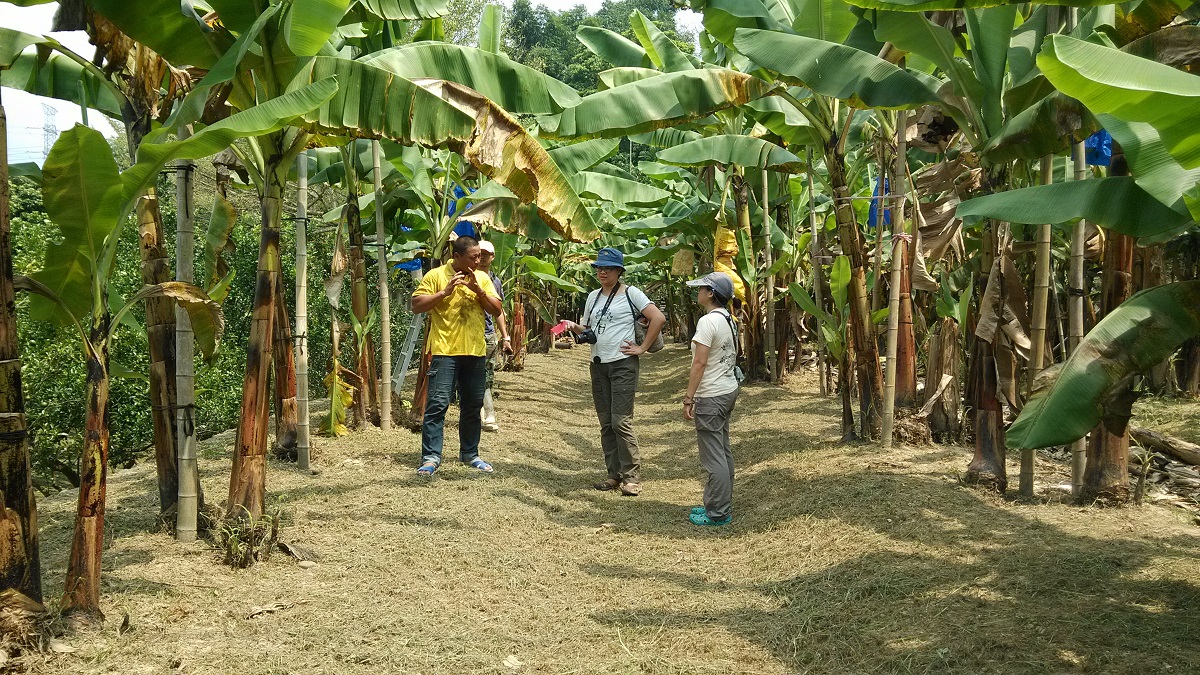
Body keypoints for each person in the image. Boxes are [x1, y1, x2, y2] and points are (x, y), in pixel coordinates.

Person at [561, 248, 666, 496]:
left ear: (619, 271)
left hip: (622, 364)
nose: (602, 271)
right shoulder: (593, 297)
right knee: (606, 423)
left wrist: (642, 348)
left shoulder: (631, 293)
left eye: (608, 268)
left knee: (621, 421)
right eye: (599, 267)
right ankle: (614, 475)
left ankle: (632, 477)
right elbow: (587, 329)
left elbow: (658, 318)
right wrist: (573, 327)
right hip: (598, 364)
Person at [410, 236, 503, 477]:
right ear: (457, 256)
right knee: (437, 405)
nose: (478, 260)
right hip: (444, 351)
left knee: (472, 405)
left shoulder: (482, 278)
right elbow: (417, 305)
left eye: (480, 256)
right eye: (473, 257)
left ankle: (470, 454)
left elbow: (496, 309)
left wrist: (479, 292)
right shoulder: (436, 276)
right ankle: (431, 457)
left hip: (475, 351)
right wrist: (445, 292)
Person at [682, 272, 740, 527]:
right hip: (727, 389)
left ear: (711, 294)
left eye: (703, 288)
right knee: (722, 450)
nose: (699, 292)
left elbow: (700, 362)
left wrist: (688, 397)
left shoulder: (707, 322)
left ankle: (718, 512)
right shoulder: (728, 318)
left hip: (712, 394)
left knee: (713, 456)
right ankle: (718, 502)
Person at [478, 240, 513, 432]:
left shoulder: (495, 282)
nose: (482, 257)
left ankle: (488, 413)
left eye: (486, 254)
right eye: (479, 253)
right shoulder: (464, 276)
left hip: (487, 333)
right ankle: (480, 413)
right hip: (465, 334)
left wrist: (505, 337)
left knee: (486, 375)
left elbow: (499, 311)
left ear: (492, 257)